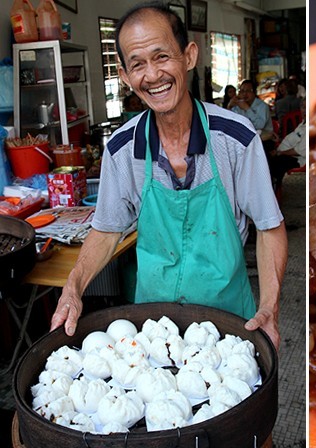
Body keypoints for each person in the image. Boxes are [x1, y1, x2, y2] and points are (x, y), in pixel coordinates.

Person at [50, 2, 287, 349]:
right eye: (138, 64)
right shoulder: (121, 149)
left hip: (231, 322)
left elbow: (269, 227)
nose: (153, 75)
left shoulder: (235, 138)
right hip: (154, 326)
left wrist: (270, 306)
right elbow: (105, 230)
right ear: (126, 75)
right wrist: (73, 287)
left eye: (162, 57)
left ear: (189, 56)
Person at [269, 99, 305, 185]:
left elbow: (298, 151)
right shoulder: (303, 123)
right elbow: (295, 140)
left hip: (296, 159)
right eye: (303, 107)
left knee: (272, 162)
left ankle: (274, 187)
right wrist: (279, 140)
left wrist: (279, 153)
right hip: (285, 152)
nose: (305, 110)